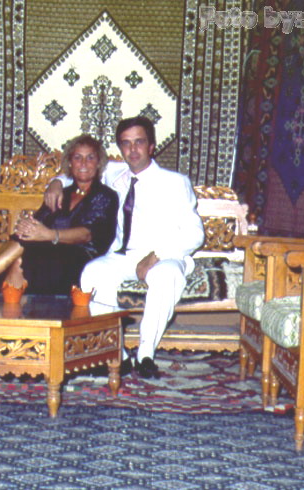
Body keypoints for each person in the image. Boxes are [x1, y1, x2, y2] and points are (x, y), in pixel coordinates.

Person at [45, 117, 204, 378]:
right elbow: (78, 170)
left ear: (151, 146)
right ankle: (116, 353)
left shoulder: (175, 182)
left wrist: (156, 255)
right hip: (122, 256)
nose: (133, 150)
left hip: (162, 255)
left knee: (167, 275)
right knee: (92, 272)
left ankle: (145, 355)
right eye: (126, 144)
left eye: (139, 142)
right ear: (120, 148)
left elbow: (195, 234)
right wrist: (55, 182)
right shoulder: (113, 174)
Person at [0, 134, 118, 296]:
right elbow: (37, 223)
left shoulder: (106, 196)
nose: (84, 163)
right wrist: (28, 227)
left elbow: (88, 234)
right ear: (70, 163)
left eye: (90, 158)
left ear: (98, 163)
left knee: (24, 259)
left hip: (81, 258)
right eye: (78, 157)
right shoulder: (60, 193)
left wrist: (50, 235)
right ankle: (7, 300)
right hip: (50, 251)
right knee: (23, 244)